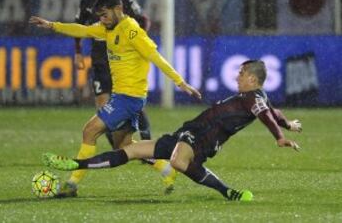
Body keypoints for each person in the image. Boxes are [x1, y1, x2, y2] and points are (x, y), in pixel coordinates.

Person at [42, 60, 302, 201]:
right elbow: (272, 112)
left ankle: (227, 192)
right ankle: (76, 164)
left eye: (242, 73)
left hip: (203, 138)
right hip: (189, 131)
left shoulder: (252, 97)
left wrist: (279, 136)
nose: (237, 77)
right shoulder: (257, 97)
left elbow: (266, 114)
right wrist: (287, 124)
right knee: (129, 150)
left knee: (178, 161)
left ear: (253, 80)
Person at [29, 0, 201, 197]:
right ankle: (167, 169)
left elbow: (156, 57)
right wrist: (52, 25)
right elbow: (83, 30)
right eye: (100, 16)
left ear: (118, 9)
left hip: (128, 99)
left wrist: (181, 83)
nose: (102, 20)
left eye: (104, 15)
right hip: (127, 98)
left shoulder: (132, 33)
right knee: (125, 146)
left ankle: (72, 184)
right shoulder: (107, 29)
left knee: (89, 131)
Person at [74, 0, 152, 144]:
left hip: (122, 60)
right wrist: (78, 53)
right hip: (100, 61)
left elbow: (144, 20)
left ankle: (148, 143)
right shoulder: (86, 1)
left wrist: (139, 41)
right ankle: (118, 149)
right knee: (103, 105)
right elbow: (78, 27)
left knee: (132, 103)